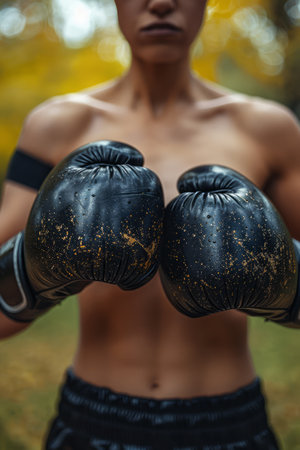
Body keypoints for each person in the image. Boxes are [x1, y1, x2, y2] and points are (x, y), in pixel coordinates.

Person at [1, 0, 300, 448]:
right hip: (90, 420)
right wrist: (35, 268)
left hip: (230, 420)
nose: (161, 2)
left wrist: (281, 285)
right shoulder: (55, 125)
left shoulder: (270, 129)